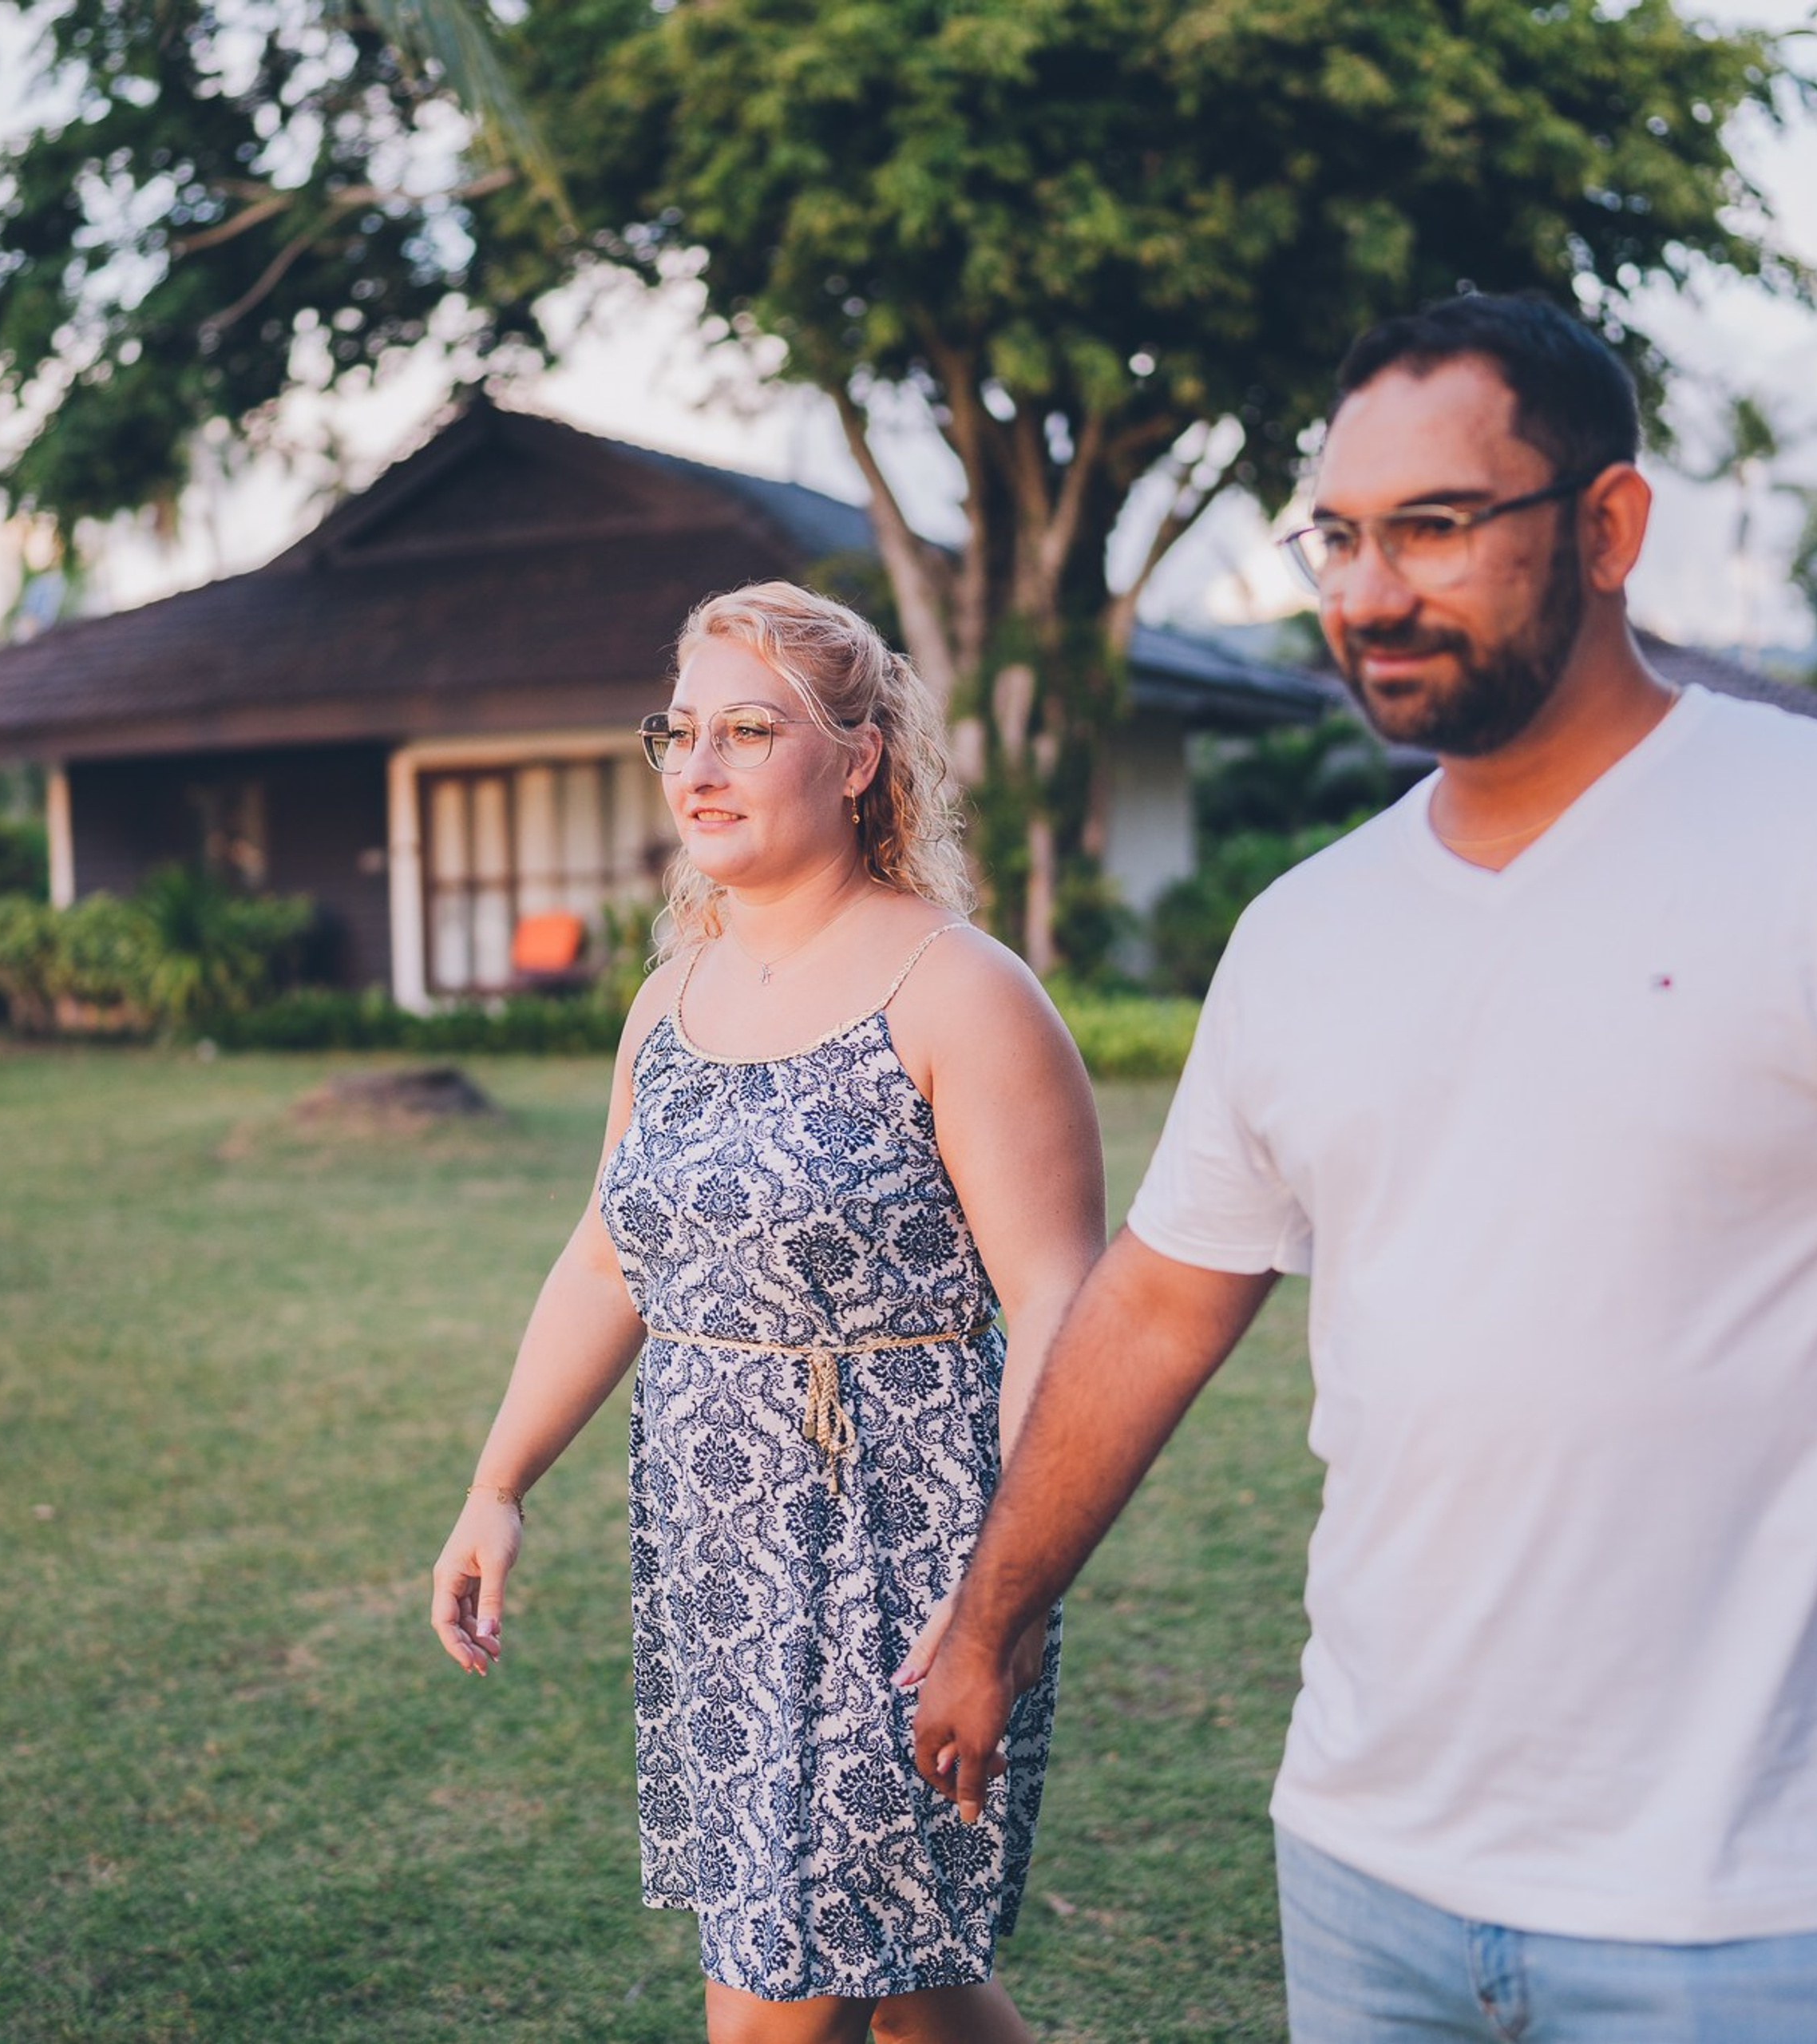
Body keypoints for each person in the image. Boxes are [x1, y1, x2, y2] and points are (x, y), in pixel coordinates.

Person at [908, 292, 1817, 2040]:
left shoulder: (1789, 834)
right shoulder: (1301, 933)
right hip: (1362, 1867)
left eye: (1433, 527)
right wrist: (987, 1615)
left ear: (1606, 526)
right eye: (1335, 534)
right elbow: (1160, 1302)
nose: (1366, 592)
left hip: (1733, 1902)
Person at [430, 581, 1105, 2044]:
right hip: (720, 1558)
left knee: (779, 1998)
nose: (699, 767)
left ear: (858, 759)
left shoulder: (959, 992)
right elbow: (610, 1260)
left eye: (750, 730)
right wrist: (498, 1484)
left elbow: (1060, 1302)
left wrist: (1007, 1588)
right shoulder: (670, 1001)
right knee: (910, 1982)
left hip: (905, 1559)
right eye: (681, 732)